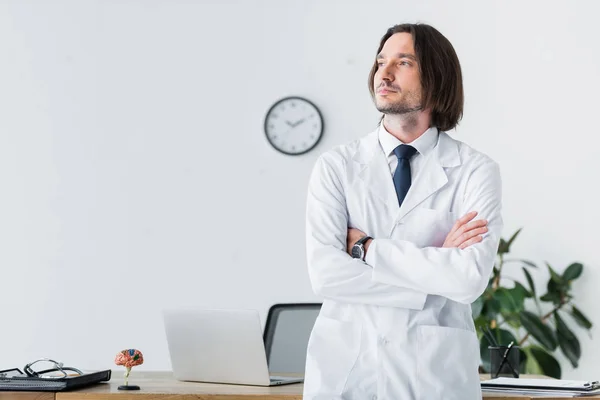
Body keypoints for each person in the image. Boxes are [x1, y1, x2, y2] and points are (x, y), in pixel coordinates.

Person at [304, 23, 503, 400]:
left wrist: (367, 249)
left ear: (437, 75)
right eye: (381, 62)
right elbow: (326, 275)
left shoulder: (476, 171)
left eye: (404, 62)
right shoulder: (336, 167)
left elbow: (467, 281)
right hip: (348, 373)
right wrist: (433, 274)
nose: (385, 73)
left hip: (434, 378)